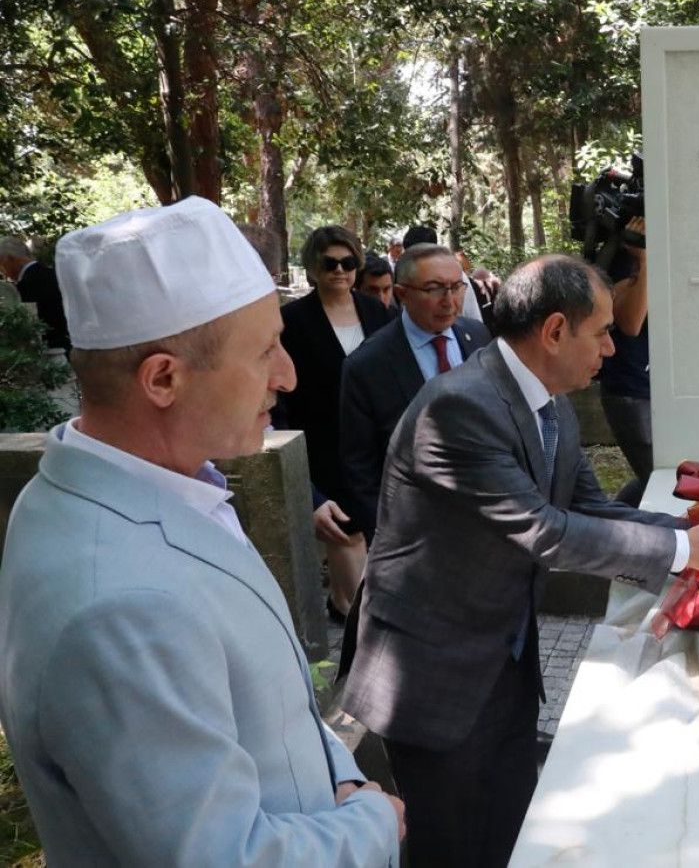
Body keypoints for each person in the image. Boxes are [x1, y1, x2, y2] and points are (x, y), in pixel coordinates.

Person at [0, 196, 404, 865]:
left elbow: (267, 706)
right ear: (163, 378)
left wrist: (343, 774)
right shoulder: (120, 604)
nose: (288, 375)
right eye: (265, 350)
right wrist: (374, 822)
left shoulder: (146, 488)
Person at [341, 254, 699, 867]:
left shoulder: (549, 398)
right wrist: (681, 550)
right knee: (451, 847)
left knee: (511, 831)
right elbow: (544, 531)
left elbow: (591, 507)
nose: (613, 351)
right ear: (556, 331)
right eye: (603, 333)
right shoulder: (459, 407)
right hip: (436, 673)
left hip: (505, 660)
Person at [272, 226, 390, 622]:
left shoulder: (375, 311)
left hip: (376, 447)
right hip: (323, 447)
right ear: (313, 268)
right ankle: (351, 625)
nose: (340, 270)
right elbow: (282, 393)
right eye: (330, 263)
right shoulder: (292, 320)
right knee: (346, 541)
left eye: (348, 262)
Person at [340, 242, 491, 540]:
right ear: (402, 294)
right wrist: (390, 538)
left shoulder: (478, 337)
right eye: (434, 289)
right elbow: (359, 468)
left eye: (456, 287)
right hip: (415, 532)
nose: (449, 301)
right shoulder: (368, 365)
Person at [598, 216, 652, 504]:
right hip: (631, 390)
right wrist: (643, 261)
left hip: (656, 386)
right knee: (658, 477)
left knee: (657, 479)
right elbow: (630, 323)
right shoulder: (624, 258)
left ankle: (616, 520)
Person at [0, 235, 70, 349]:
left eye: (1, 266)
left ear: (10, 260)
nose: (3, 272)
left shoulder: (25, 286)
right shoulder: (56, 273)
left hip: (48, 348)